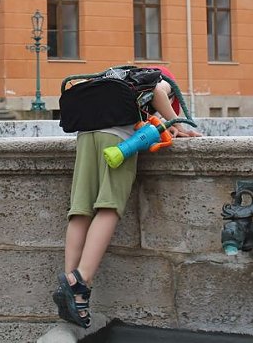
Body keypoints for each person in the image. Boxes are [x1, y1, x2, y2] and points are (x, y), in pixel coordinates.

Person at [54, 66, 201, 329]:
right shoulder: (163, 77)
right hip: (118, 140)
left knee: (80, 209)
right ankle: (82, 279)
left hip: (86, 136)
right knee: (109, 207)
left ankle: (69, 281)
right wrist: (177, 122)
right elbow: (158, 91)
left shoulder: (118, 77)